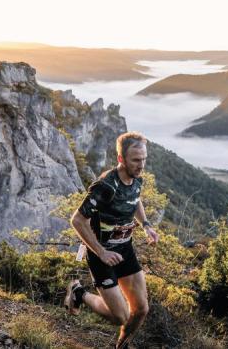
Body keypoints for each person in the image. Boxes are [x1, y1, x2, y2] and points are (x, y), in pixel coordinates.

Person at [64, 131, 159, 349]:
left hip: (125, 250)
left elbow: (135, 198)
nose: (141, 165)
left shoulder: (136, 178)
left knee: (141, 309)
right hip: (101, 255)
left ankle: (122, 345)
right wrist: (101, 252)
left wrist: (146, 226)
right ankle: (79, 293)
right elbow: (77, 220)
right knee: (120, 316)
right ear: (121, 159)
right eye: (136, 160)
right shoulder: (106, 186)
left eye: (144, 159)